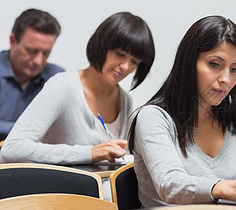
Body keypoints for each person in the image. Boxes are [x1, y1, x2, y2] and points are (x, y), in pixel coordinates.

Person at [128, 15, 236, 207]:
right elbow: (172, 186)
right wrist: (225, 188)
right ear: (189, 63)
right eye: (215, 64)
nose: (226, 79)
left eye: (234, 69)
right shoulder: (154, 118)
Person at [0, 12, 155, 165]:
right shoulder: (63, 86)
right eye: (120, 54)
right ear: (102, 45)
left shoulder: (124, 100)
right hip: (64, 189)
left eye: (134, 62)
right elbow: (12, 149)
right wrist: (90, 153)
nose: (125, 67)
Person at [0, 8, 63, 140]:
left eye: (46, 53)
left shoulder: (57, 78)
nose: (38, 61)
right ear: (12, 41)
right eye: (31, 51)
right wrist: (30, 130)